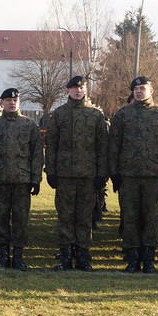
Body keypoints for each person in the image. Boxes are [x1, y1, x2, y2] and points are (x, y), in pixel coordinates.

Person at [109, 76, 158, 273]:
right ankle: (131, 258)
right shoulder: (122, 115)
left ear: (151, 90)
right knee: (129, 217)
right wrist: (114, 173)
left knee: (151, 217)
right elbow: (114, 145)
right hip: (128, 175)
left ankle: (148, 258)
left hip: (153, 176)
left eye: (143, 88)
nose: (139, 92)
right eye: (136, 89)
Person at [45, 75, 109, 271]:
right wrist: (51, 171)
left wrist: (101, 174)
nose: (78, 91)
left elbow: (102, 147)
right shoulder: (58, 114)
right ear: (68, 90)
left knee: (84, 217)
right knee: (65, 216)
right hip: (65, 175)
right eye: (74, 88)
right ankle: (65, 256)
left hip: (88, 175)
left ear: (86, 90)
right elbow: (51, 145)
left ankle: (83, 255)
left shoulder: (95, 115)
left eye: (81, 88)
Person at [0, 88, 43, 270]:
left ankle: (18, 256)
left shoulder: (29, 125)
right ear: (2, 103)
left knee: (20, 219)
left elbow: (37, 154)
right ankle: (3, 256)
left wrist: (35, 179)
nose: (12, 103)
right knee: (1, 219)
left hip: (22, 181)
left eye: (14, 100)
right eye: (8, 100)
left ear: (19, 102)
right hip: (0, 181)